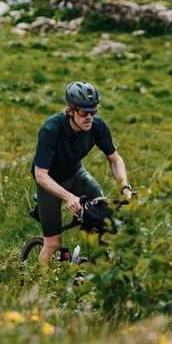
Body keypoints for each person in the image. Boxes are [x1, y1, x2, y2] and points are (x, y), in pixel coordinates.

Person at [31, 80, 132, 263]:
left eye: (93, 111)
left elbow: (115, 158)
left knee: (103, 218)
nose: (89, 117)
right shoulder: (51, 129)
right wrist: (69, 197)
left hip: (76, 175)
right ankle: (38, 284)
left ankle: (92, 271)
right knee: (53, 244)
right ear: (70, 110)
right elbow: (40, 175)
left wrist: (125, 187)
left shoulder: (98, 127)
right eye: (84, 112)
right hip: (49, 183)